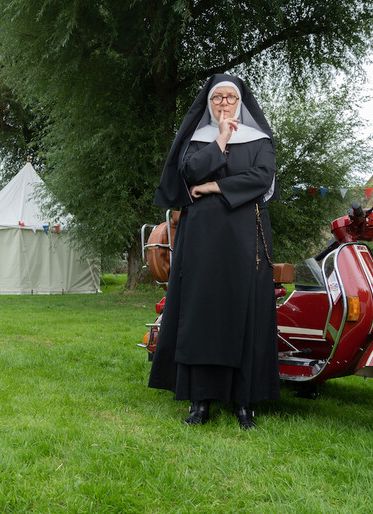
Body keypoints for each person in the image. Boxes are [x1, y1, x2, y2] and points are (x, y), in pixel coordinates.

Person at [148, 73, 280, 429]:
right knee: (200, 313)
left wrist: (214, 186)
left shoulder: (260, 140)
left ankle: (244, 403)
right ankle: (200, 401)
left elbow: (261, 177)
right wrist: (221, 138)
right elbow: (188, 172)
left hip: (244, 239)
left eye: (230, 99)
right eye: (217, 98)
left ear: (241, 103)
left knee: (245, 312)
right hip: (201, 240)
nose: (224, 104)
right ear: (208, 102)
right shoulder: (198, 140)